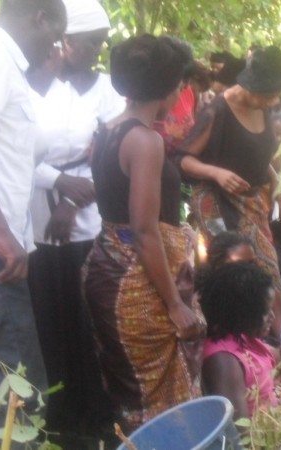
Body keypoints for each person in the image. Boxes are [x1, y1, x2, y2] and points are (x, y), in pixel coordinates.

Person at [83, 34, 207, 433]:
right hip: (139, 282)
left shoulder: (108, 130)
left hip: (106, 267)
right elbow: (143, 229)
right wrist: (174, 303)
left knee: (131, 392)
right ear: (170, 88)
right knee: (158, 400)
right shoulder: (145, 141)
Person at [25, 0, 125, 446]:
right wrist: (58, 181)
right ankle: (60, 414)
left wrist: (73, 198)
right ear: (64, 41)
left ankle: (99, 412)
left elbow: (109, 152)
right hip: (36, 213)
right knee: (50, 313)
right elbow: (16, 155)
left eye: (100, 44)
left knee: (90, 316)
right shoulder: (29, 86)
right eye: (88, 44)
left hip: (89, 215)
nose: (94, 52)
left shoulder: (107, 89)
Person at [179, 45, 281, 340]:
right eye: (269, 94)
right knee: (232, 270)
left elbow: (259, 155)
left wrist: (278, 186)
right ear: (251, 85)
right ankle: (231, 342)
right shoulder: (217, 109)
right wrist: (217, 172)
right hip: (214, 201)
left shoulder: (263, 108)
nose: (274, 101)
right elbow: (183, 159)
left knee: (268, 269)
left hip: (252, 201)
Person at [0, 0, 66, 436]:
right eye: (55, 35)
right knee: (18, 400)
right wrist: (2, 233)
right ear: (40, 17)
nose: (53, 48)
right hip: (0, 257)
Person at [199, 262, 278, 419]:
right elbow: (241, 430)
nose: (272, 317)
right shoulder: (223, 360)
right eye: (265, 311)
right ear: (243, 311)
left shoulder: (244, 337)